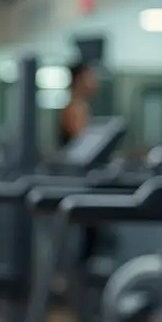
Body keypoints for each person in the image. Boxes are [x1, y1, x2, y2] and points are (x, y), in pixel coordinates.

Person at [59, 60, 100, 260]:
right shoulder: (76, 108)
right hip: (77, 181)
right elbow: (83, 146)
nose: (95, 81)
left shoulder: (77, 106)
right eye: (90, 76)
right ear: (78, 80)